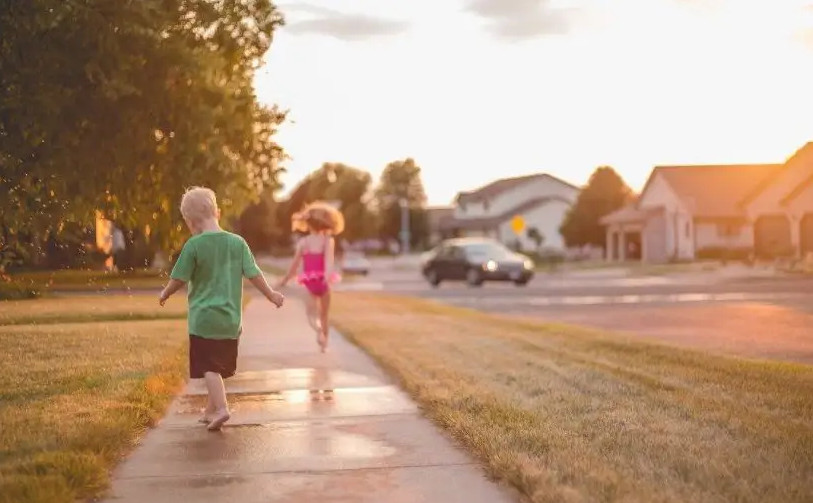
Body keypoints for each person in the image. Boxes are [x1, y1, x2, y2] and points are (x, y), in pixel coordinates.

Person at [158, 186, 285, 431]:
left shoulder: (194, 245)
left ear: (190, 221)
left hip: (204, 319)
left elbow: (180, 278)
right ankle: (209, 410)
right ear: (217, 211)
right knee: (217, 366)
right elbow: (254, 274)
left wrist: (165, 293)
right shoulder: (237, 242)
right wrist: (271, 295)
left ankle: (222, 408)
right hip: (230, 320)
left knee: (208, 368)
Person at [276, 202, 344, 352]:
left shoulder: (303, 242)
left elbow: (294, 267)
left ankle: (319, 331)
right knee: (325, 314)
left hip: (310, 283)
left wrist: (284, 280)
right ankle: (324, 344)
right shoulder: (328, 240)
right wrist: (326, 277)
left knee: (311, 314)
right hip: (324, 282)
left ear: (308, 224)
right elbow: (328, 261)